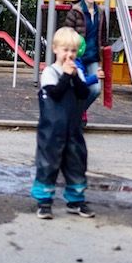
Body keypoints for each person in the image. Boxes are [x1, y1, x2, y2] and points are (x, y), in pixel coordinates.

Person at [30, 26, 98, 220]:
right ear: (55, 49)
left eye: (73, 51)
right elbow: (55, 93)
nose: (69, 55)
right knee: (48, 164)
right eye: (65, 50)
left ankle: (76, 200)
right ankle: (44, 201)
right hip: (52, 130)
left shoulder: (78, 72)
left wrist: (75, 77)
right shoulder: (50, 72)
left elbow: (84, 93)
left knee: (76, 163)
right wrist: (67, 75)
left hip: (73, 128)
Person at [63, 0, 106, 107]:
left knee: (96, 89)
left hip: (93, 56)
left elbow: (103, 35)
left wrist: (102, 55)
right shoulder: (76, 11)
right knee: (78, 85)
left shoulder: (101, 12)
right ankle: (77, 114)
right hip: (78, 56)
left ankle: (79, 112)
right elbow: (67, 33)